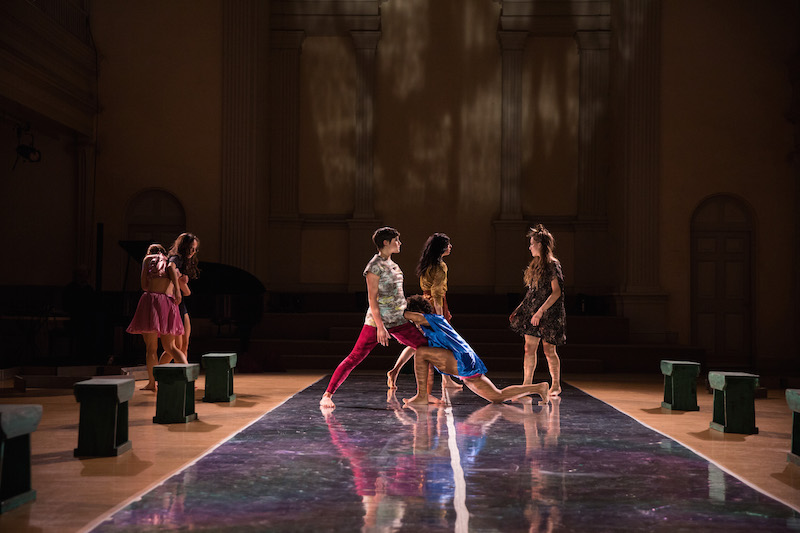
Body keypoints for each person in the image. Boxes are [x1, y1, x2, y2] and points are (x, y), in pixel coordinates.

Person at [319, 227, 428, 410]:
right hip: (377, 322)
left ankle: (421, 392)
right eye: (396, 240)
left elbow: (398, 295)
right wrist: (380, 327)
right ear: (386, 242)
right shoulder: (373, 266)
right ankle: (327, 394)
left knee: (425, 347)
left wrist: (410, 315)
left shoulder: (394, 265)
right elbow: (372, 298)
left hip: (399, 320)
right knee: (355, 356)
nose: (400, 243)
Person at [402, 295, 550, 405]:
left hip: (462, 359)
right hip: (466, 362)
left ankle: (422, 395)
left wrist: (386, 307)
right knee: (497, 397)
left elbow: (409, 315)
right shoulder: (428, 327)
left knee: (422, 352)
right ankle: (539, 388)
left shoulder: (433, 318)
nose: (413, 323)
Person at [387, 232, 461, 390]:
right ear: (441, 247)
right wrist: (440, 317)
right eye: (448, 244)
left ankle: (395, 371)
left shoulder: (427, 263)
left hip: (424, 303)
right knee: (440, 342)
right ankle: (446, 380)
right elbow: (437, 292)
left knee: (418, 343)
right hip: (434, 305)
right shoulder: (440, 266)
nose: (450, 247)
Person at [509, 224, 566, 396]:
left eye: (532, 243)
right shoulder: (535, 265)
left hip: (549, 313)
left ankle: (555, 384)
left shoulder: (552, 265)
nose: (530, 247)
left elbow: (556, 292)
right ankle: (527, 385)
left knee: (549, 350)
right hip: (533, 311)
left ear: (540, 244)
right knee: (529, 348)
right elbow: (533, 291)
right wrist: (521, 308)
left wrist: (540, 311)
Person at [126, 244, 187, 390]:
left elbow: (144, 285)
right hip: (167, 302)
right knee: (171, 347)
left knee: (151, 348)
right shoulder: (170, 262)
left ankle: (152, 383)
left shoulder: (147, 259)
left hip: (151, 302)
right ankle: (187, 377)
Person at [161, 233, 199, 362]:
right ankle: (157, 376)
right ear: (184, 247)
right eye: (190, 248)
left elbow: (187, 293)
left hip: (181, 305)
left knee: (184, 344)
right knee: (174, 348)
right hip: (173, 303)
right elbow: (170, 267)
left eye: (195, 249)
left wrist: (182, 284)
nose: (193, 252)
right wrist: (178, 288)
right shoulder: (176, 258)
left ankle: (183, 380)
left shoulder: (185, 263)